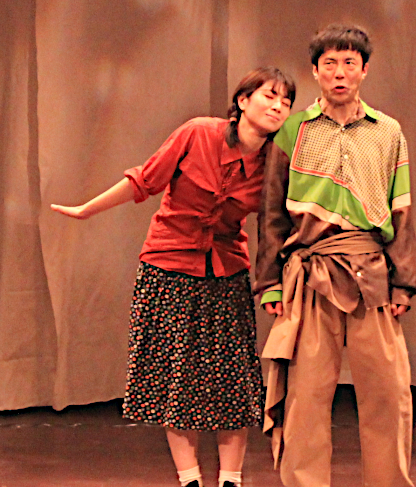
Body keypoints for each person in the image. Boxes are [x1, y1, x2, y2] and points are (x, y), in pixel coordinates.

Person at [51, 67, 296, 487]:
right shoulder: (199, 133)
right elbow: (145, 180)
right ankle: (190, 480)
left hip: (226, 272)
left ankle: (231, 480)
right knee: (176, 379)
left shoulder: (276, 163)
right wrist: (87, 209)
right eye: (269, 96)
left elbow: (280, 223)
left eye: (286, 102)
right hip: (168, 267)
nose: (278, 107)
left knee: (233, 381)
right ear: (243, 101)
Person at [255, 24, 416, 487]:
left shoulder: (388, 132)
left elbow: (402, 211)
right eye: (330, 63)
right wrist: (269, 284)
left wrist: (403, 283)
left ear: (365, 70)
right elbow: (271, 212)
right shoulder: (292, 130)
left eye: (349, 63)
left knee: (388, 394)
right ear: (315, 71)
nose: (340, 73)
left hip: (372, 275)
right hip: (310, 273)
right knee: (305, 397)